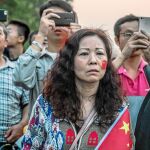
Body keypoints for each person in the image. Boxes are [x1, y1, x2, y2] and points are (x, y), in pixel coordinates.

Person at [22, 28, 134, 149]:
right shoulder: (47, 103)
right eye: (84, 54)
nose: (93, 60)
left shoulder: (117, 106)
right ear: (70, 62)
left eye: (100, 53)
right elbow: (30, 146)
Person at [13, 0, 80, 115]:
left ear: (72, 20)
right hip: (41, 128)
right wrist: (40, 35)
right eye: (52, 18)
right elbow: (20, 81)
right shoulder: (35, 58)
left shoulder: (81, 56)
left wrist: (80, 40)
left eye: (62, 18)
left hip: (74, 126)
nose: (57, 23)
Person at [113, 14, 150, 131]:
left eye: (140, 33)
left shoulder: (148, 72)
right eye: (128, 34)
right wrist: (123, 55)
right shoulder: (109, 70)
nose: (135, 38)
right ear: (117, 40)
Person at [0, 23, 29, 148]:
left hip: (8, 144)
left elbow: (27, 103)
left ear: (5, 42)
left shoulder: (17, 71)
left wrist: (22, 125)